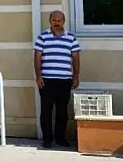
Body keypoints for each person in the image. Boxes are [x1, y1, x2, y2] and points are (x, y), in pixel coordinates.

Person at [33, 10, 81, 148]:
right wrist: (38, 76)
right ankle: (47, 139)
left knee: (62, 111)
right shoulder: (43, 37)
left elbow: (76, 58)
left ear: (63, 21)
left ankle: (60, 138)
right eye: (54, 20)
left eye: (59, 20)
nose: (57, 23)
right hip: (46, 80)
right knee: (46, 111)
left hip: (65, 80)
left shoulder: (71, 38)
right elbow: (37, 57)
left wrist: (76, 77)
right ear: (50, 21)